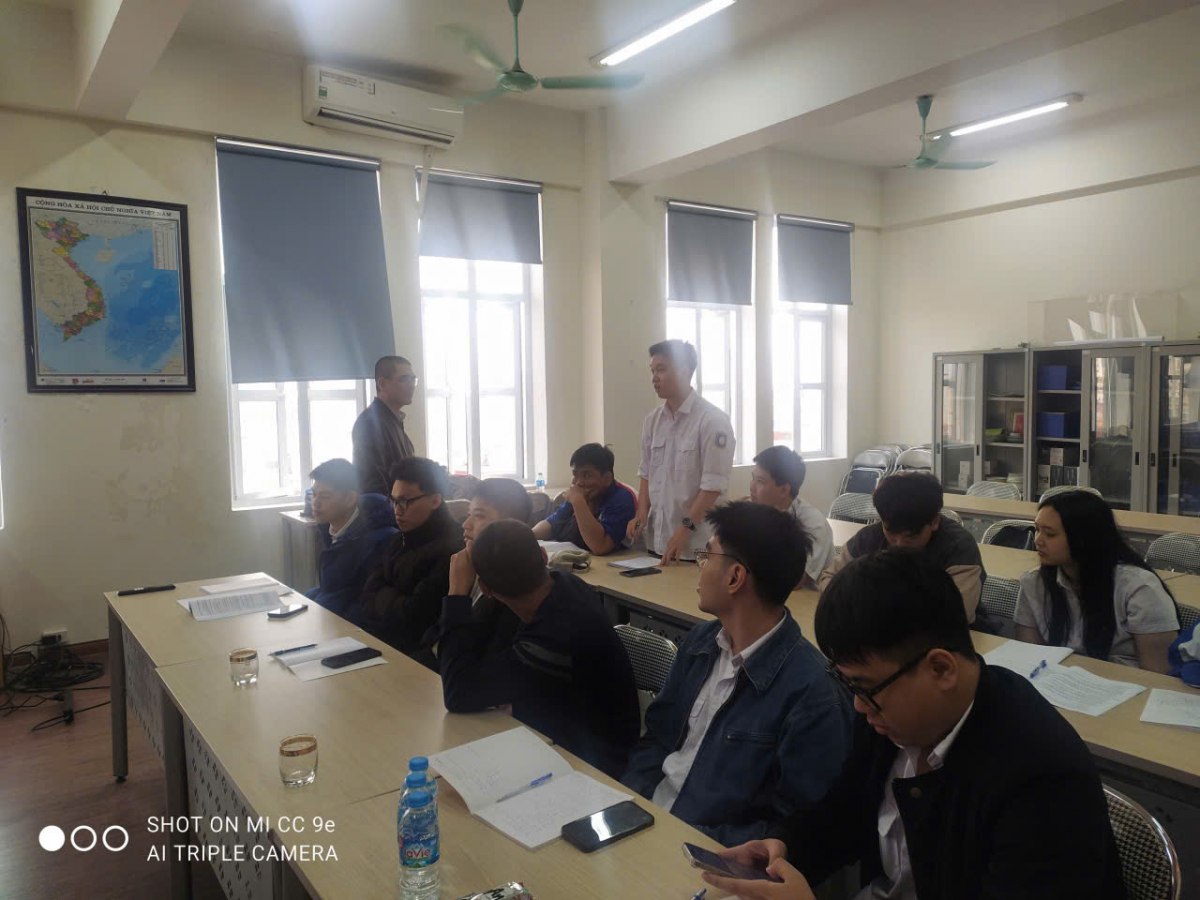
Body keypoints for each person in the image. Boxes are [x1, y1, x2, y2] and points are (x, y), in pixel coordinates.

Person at [704, 550, 1125, 900]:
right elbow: (841, 813)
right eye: (848, 684)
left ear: (940, 669)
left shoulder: (1043, 778)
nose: (857, 705)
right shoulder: (890, 713)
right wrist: (784, 848)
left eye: (864, 687)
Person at [622, 502, 853, 847]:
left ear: (735, 578)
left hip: (704, 853)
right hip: (647, 824)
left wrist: (681, 843)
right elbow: (657, 738)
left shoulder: (812, 693)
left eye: (706, 556)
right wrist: (630, 802)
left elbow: (793, 830)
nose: (699, 567)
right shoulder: (701, 642)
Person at [437, 519, 640, 778]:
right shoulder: (564, 583)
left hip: (593, 767)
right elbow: (476, 668)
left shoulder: (555, 636)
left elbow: (458, 692)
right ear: (544, 556)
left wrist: (457, 593)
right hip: (559, 735)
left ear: (485, 588)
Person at [1016, 490, 1179, 673]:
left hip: (1125, 685)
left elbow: (1159, 674)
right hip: (1060, 683)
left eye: (1050, 534)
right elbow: (1030, 658)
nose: (1038, 540)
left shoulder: (1140, 589)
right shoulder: (1034, 583)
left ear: (1084, 538)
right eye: (1037, 529)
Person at [819, 472, 984, 622]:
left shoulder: (958, 546)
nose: (898, 543)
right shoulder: (869, 537)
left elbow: (959, 613)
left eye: (911, 536)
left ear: (935, 522)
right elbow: (829, 578)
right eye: (891, 532)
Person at [627, 340, 735, 564]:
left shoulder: (713, 421)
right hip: (656, 543)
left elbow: (712, 488)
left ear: (684, 371)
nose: (654, 377)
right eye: (652, 371)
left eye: (661, 369)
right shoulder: (652, 421)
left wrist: (685, 529)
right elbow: (646, 474)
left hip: (695, 549)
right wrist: (641, 513)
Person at [356, 457, 463, 661]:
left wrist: (383, 594)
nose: (397, 510)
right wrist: (394, 597)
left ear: (435, 501)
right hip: (380, 642)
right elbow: (366, 592)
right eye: (394, 501)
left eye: (405, 501)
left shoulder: (452, 550)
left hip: (411, 657)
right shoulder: (400, 538)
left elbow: (414, 617)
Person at [305, 458, 397, 618]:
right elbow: (331, 589)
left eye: (325, 496)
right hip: (331, 616)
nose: (315, 503)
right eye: (313, 494)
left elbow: (364, 602)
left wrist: (317, 612)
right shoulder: (330, 528)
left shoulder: (381, 540)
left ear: (349, 499)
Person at [747, 446, 834, 588]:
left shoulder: (813, 524)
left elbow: (795, 580)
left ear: (784, 490)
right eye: (753, 478)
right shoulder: (758, 512)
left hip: (807, 598)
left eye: (760, 481)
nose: (752, 487)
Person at [533, 443, 636, 555]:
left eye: (586, 476)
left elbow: (600, 546)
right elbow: (551, 523)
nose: (578, 482)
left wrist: (578, 501)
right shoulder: (582, 493)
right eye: (575, 475)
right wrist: (527, 538)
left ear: (607, 479)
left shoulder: (622, 498)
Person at [352, 355, 418, 496]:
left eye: (413, 379)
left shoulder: (393, 421)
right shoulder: (369, 423)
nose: (411, 385)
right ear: (382, 384)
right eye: (404, 379)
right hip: (387, 508)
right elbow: (372, 484)